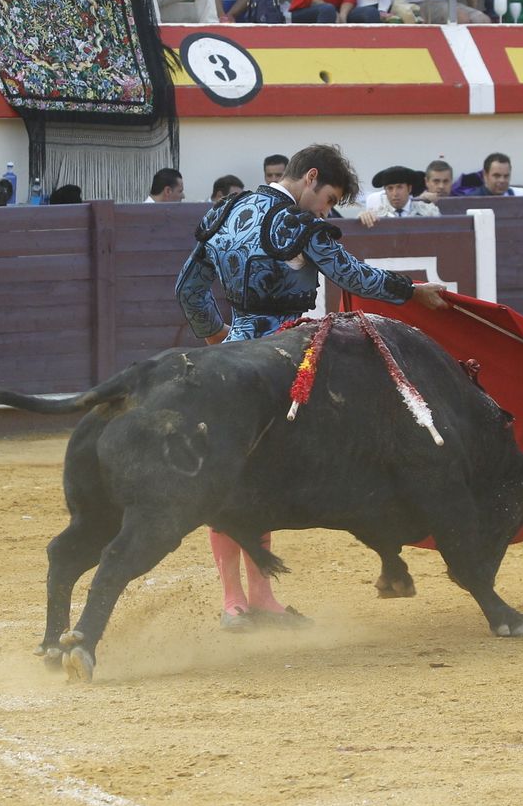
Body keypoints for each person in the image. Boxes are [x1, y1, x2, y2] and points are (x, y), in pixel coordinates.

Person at [174, 143, 448, 631]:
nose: (326, 211)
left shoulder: (225, 212)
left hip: (225, 362)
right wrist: (411, 291)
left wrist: (218, 337)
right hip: (284, 358)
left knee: (230, 476)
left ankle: (237, 601)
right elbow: (352, 275)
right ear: (310, 177)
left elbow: (188, 290)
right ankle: (263, 597)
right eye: (329, 199)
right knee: (278, 473)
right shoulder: (296, 225)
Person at [358, 164, 440, 225]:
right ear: (385, 191)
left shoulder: (429, 212)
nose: (395, 193)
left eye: (399, 187)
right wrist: (360, 219)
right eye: (390, 188)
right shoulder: (374, 215)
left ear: (409, 189)